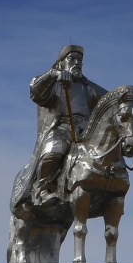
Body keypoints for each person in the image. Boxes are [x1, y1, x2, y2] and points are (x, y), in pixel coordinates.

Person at [27, 45, 108, 206]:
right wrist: (53, 75)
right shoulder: (53, 83)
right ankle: (41, 190)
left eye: (80, 60)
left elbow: (108, 100)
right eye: (72, 59)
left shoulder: (89, 87)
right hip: (63, 128)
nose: (77, 62)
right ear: (62, 62)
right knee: (54, 150)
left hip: (87, 131)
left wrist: (126, 98)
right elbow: (35, 91)